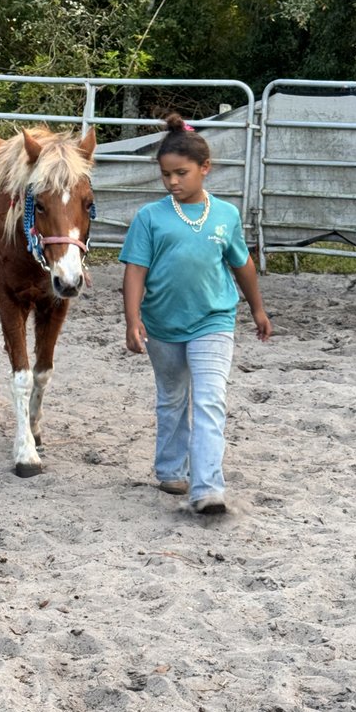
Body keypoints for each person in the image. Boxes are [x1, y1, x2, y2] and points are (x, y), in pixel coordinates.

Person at [119, 113, 272, 514]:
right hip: (163, 324)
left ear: (205, 169)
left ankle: (206, 488)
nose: (173, 182)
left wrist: (257, 308)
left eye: (181, 173)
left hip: (214, 320)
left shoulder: (226, 216)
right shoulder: (150, 218)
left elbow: (242, 264)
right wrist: (132, 319)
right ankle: (171, 469)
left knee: (209, 400)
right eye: (166, 175)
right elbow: (135, 269)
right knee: (172, 398)